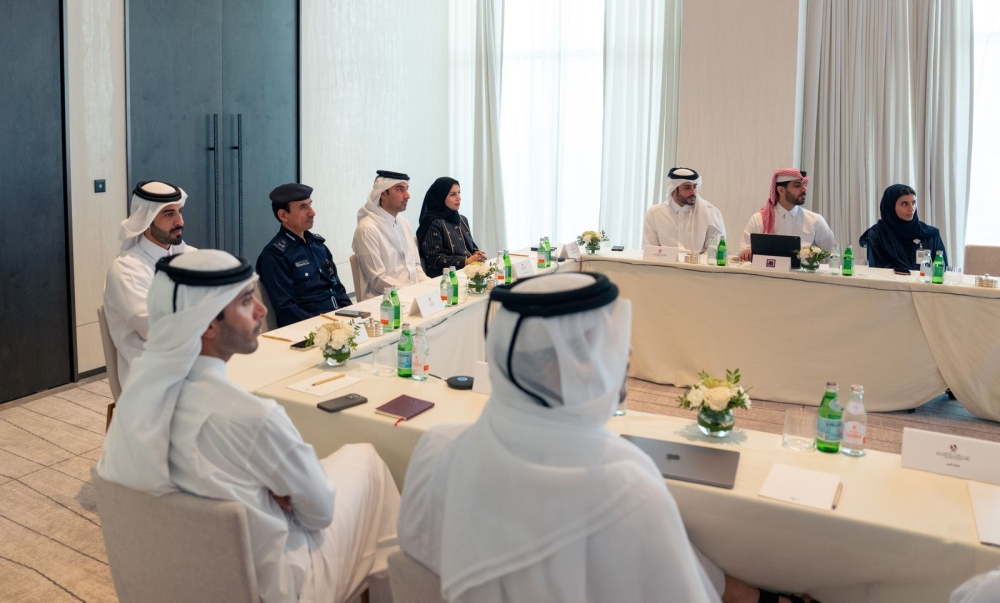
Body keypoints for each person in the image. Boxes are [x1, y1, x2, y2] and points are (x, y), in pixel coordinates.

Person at [397, 272, 813, 603]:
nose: (627, 356)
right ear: (550, 370)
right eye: (605, 344)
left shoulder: (439, 448)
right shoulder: (624, 482)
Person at [98, 249, 400, 603]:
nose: (262, 310)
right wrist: (279, 493)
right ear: (207, 324)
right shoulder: (252, 415)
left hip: (171, 585)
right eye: (245, 301)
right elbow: (320, 513)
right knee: (367, 463)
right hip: (277, 589)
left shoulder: (133, 401)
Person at [103, 180, 194, 385]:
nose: (180, 221)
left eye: (180, 211)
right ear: (147, 220)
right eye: (169, 214)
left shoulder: (191, 256)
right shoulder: (127, 270)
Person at [256, 183, 352, 328]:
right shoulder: (275, 255)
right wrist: (322, 327)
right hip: (308, 330)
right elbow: (287, 309)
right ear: (283, 215)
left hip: (337, 321)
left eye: (310, 204)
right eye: (303, 207)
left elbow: (338, 288)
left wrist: (351, 315)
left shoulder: (318, 245)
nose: (312, 212)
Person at [352, 170, 428, 300]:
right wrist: (412, 293)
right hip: (384, 301)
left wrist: (428, 287)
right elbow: (378, 279)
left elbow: (415, 266)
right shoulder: (367, 228)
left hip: (412, 295)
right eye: (400, 190)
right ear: (382, 194)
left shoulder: (404, 223)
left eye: (407, 189)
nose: (407, 195)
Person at [739, 169, 835, 262]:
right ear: (781, 190)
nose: (804, 189)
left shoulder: (815, 220)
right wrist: (746, 252)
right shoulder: (759, 219)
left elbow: (829, 254)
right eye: (797, 186)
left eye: (804, 184)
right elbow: (744, 249)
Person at [859, 183, 948, 271]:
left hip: (926, 285)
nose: (911, 208)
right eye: (904, 204)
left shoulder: (930, 234)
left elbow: (943, 272)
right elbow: (878, 271)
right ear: (890, 207)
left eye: (913, 203)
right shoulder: (878, 234)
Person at [643, 167, 726, 255]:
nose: (693, 192)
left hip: (697, 267)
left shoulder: (710, 213)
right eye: (687, 188)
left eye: (694, 187)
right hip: (665, 267)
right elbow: (651, 251)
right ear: (673, 190)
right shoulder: (654, 213)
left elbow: (715, 252)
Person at [416, 177, 487, 277]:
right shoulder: (433, 222)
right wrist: (466, 261)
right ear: (440, 197)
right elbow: (435, 258)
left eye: (459, 193)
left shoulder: (462, 219)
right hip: (444, 279)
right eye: (453, 194)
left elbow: (471, 247)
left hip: (466, 274)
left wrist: (477, 254)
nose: (459, 198)